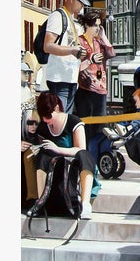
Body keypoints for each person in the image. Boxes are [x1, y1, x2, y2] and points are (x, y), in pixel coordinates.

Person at [25, 90, 96, 219]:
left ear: (57, 108)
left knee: (86, 156)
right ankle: (41, 201)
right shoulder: (44, 126)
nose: (46, 120)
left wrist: (58, 149)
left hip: (73, 166)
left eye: (49, 115)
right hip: (53, 168)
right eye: (43, 117)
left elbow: (81, 150)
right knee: (41, 156)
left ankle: (85, 204)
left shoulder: (73, 121)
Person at [70, 9, 116, 121]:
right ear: (87, 25)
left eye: (99, 26)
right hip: (85, 89)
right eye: (95, 25)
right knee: (86, 123)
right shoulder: (79, 41)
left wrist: (104, 37)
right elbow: (76, 66)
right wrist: (91, 60)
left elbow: (111, 53)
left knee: (100, 124)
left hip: (101, 90)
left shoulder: (99, 42)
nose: (97, 29)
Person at [39, 0, 82, 113]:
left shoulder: (71, 19)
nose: (82, 7)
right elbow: (47, 46)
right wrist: (72, 50)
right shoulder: (58, 16)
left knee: (64, 120)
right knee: (58, 118)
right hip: (59, 79)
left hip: (70, 79)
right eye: (81, 2)